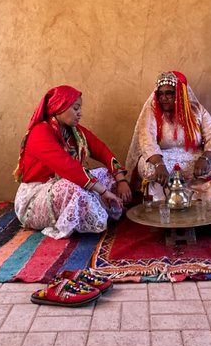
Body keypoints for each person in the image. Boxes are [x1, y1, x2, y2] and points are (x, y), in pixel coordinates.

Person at [13, 85, 132, 239]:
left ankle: (94, 211)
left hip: (66, 183)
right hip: (36, 195)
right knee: (73, 187)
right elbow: (68, 168)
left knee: (105, 175)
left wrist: (120, 179)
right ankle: (86, 216)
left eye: (80, 108)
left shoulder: (75, 131)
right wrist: (103, 191)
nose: (80, 113)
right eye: (76, 108)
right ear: (59, 106)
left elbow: (101, 150)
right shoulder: (40, 132)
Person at [125, 71, 211, 205]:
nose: (163, 98)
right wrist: (159, 164)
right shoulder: (152, 111)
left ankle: (208, 208)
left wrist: (205, 158)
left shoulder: (197, 110)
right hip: (164, 162)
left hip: (194, 163)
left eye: (169, 93)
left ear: (181, 94)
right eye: (160, 94)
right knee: (145, 164)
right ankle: (162, 209)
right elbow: (147, 141)